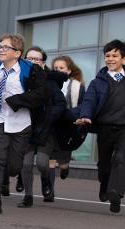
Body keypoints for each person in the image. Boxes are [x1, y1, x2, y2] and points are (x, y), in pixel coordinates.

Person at [0, 34, 46, 214]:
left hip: (22, 124)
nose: (1, 50)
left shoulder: (32, 72)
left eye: (6, 47)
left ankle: (10, 175)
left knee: (13, 167)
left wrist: (16, 100)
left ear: (17, 53)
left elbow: (41, 95)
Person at [76, 39, 125, 213]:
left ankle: (115, 194)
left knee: (120, 159)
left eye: (115, 55)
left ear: (123, 59)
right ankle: (105, 185)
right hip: (105, 127)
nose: (110, 59)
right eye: (107, 55)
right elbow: (89, 101)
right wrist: (86, 116)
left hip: (123, 129)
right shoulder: (98, 82)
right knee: (104, 165)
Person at [16, 46, 67, 207]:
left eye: (37, 59)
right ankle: (28, 197)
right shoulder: (18, 80)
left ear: (43, 63)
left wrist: (48, 116)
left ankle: (46, 182)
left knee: (43, 163)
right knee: (25, 163)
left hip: (46, 130)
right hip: (26, 129)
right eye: (29, 59)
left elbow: (61, 104)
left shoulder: (50, 83)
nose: (33, 62)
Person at [52, 56, 85, 179]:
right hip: (53, 124)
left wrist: (72, 115)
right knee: (52, 156)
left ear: (69, 70)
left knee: (64, 156)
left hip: (68, 125)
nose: (58, 70)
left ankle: (65, 166)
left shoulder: (77, 86)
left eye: (61, 67)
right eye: (55, 68)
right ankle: (48, 189)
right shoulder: (50, 84)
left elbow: (82, 104)